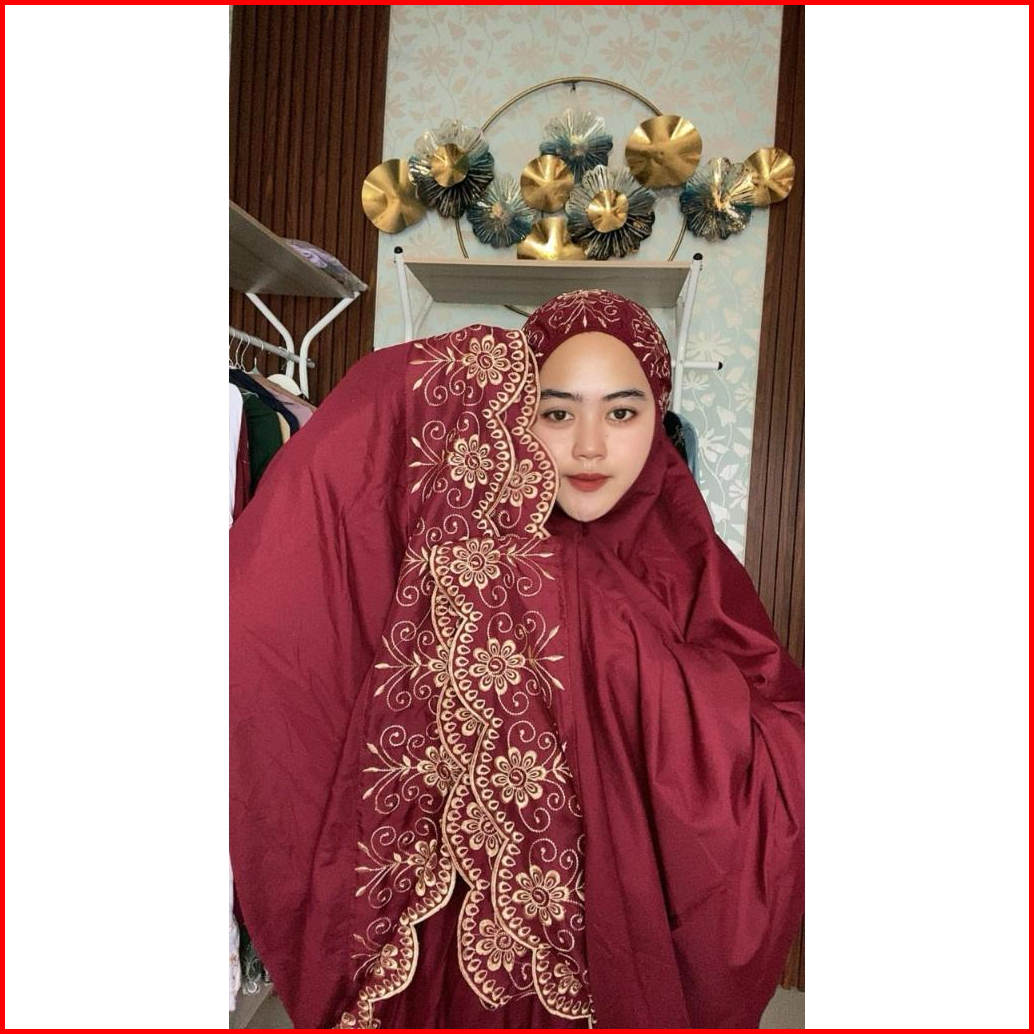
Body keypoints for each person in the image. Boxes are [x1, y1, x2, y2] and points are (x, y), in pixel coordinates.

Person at [229, 290, 804, 1029]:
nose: (589, 446)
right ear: (513, 415)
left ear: (658, 418)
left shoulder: (691, 563)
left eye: (621, 412)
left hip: (610, 943)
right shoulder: (464, 552)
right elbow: (288, 618)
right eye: (557, 412)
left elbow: (776, 737)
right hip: (444, 951)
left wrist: (638, 668)